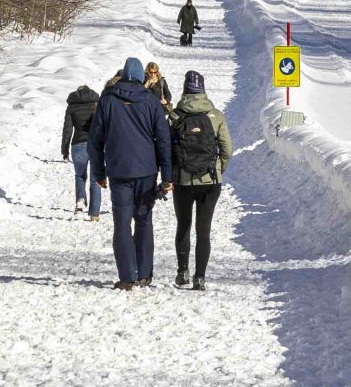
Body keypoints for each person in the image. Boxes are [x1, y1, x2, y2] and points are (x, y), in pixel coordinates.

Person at [86, 56, 173, 287]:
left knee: (122, 223)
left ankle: (126, 277)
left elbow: (94, 140)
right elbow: (163, 140)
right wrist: (167, 176)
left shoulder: (108, 100)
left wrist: (98, 173)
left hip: (118, 171)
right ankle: (144, 273)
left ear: (124, 75)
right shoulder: (151, 101)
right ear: (141, 77)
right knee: (144, 219)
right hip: (146, 170)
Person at [169, 69, 234, 289]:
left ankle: (182, 272)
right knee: (203, 230)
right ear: (203, 89)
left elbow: (168, 148)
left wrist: (171, 174)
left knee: (184, 226)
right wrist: (218, 170)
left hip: (183, 180)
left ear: (185, 89)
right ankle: (200, 277)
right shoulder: (215, 115)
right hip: (211, 181)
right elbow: (227, 149)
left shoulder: (176, 115)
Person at [61, 80, 104, 219]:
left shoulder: (71, 107)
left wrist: (65, 150)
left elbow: (67, 130)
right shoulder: (96, 105)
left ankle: (80, 200)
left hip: (77, 145)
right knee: (95, 179)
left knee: (80, 176)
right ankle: (94, 214)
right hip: (95, 145)